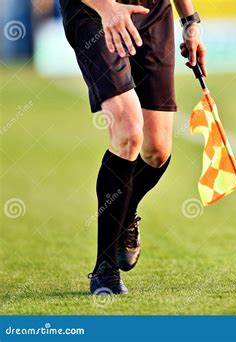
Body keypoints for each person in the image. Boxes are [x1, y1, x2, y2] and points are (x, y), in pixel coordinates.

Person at [59, 0, 207, 295]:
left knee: (157, 150)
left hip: (152, 12)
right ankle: (105, 271)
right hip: (94, 12)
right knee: (128, 132)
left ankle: (124, 214)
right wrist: (106, 8)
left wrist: (190, 21)